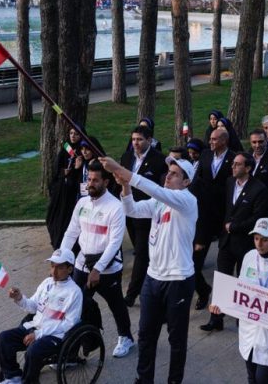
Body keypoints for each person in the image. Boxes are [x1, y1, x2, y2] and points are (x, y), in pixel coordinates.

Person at [100, 155, 198, 384]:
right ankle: (144, 379)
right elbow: (132, 210)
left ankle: (174, 380)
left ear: (186, 182)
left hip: (178, 279)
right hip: (153, 277)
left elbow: (152, 188)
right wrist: (125, 186)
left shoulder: (187, 200)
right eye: (168, 172)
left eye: (175, 174)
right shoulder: (158, 202)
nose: (168, 176)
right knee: (145, 334)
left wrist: (121, 169)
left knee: (176, 339)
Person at [209, 218, 268, 383]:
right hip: (249, 332)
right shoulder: (249, 257)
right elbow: (239, 289)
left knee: (263, 379)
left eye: (265, 240)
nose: (259, 244)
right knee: (252, 377)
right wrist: (220, 305)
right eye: (256, 238)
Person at [60, 162, 134, 358]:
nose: (90, 184)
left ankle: (126, 337)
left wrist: (98, 269)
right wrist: (61, 258)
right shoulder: (82, 203)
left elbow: (114, 243)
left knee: (116, 304)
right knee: (75, 305)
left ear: (106, 182)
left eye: (95, 180)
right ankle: (73, 352)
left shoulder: (115, 207)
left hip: (107, 269)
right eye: (89, 179)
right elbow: (71, 232)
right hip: (82, 264)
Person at [202, 152, 268, 331]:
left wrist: (235, 226)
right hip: (226, 242)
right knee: (222, 280)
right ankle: (216, 318)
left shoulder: (259, 189)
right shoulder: (230, 182)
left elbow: (258, 217)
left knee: (245, 283)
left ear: (248, 168)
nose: (233, 166)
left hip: (245, 244)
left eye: (238, 164)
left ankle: (243, 320)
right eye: (233, 163)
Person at [0, 248, 83, 384]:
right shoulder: (46, 283)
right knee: (4, 338)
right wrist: (19, 298)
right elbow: (33, 306)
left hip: (55, 336)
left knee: (33, 351)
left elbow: (69, 324)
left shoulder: (74, 292)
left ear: (70, 269)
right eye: (52, 266)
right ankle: (13, 377)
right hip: (35, 327)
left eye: (59, 267)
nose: (54, 271)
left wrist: (38, 334)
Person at [120, 126, 168, 307]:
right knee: (141, 251)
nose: (136, 143)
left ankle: (132, 294)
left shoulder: (159, 160)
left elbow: (161, 188)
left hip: (147, 213)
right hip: (129, 210)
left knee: (141, 253)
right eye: (133, 139)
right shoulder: (127, 157)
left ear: (149, 140)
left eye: (139, 139)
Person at [190, 128, 235, 310]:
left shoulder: (234, 158)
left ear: (224, 141)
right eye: (210, 139)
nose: (210, 142)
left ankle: (222, 306)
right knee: (193, 263)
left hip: (224, 217)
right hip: (204, 217)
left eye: (214, 139)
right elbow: (197, 180)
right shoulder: (206, 155)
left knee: (225, 264)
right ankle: (203, 290)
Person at [45, 127, 84, 249]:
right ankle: (57, 241)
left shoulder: (83, 150)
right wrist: (63, 172)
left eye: (76, 134)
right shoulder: (66, 149)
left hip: (73, 194)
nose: (73, 136)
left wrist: (76, 169)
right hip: (61, 190)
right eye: (71, 133)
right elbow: (57, 170)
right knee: (53, 217)